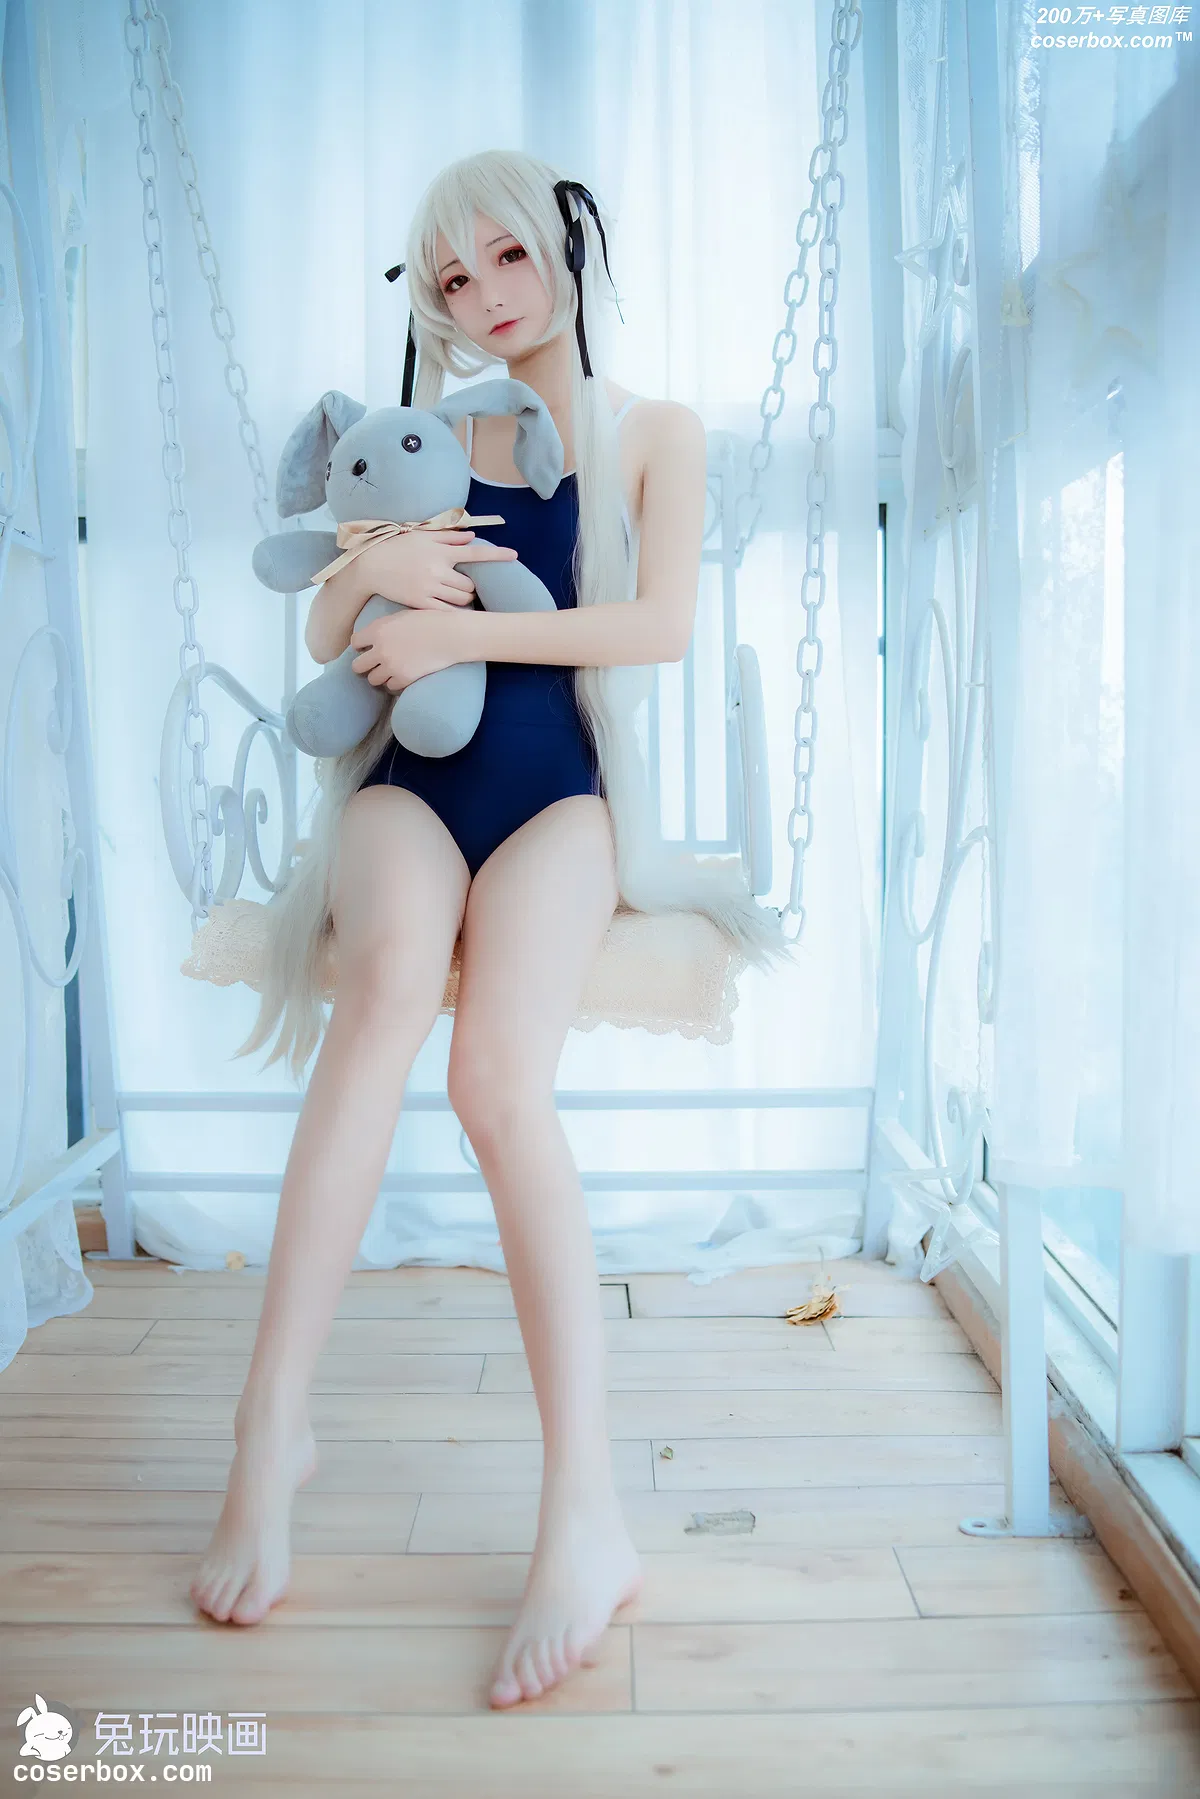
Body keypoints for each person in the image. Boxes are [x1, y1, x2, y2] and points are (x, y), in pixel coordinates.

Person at [189, 147, 783, 1709]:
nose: (486, 297)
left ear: (565, 245)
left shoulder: (654, 432)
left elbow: (657, 627)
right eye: (453, 279)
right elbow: (329, 619)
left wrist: (467, 634)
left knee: (496, 1081)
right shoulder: (439, 433)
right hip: (410, 788)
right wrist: (377, 579)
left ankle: (585, 1509)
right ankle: (269, 1423)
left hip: (558, 799)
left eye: (507, 257)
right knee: (384, 988)